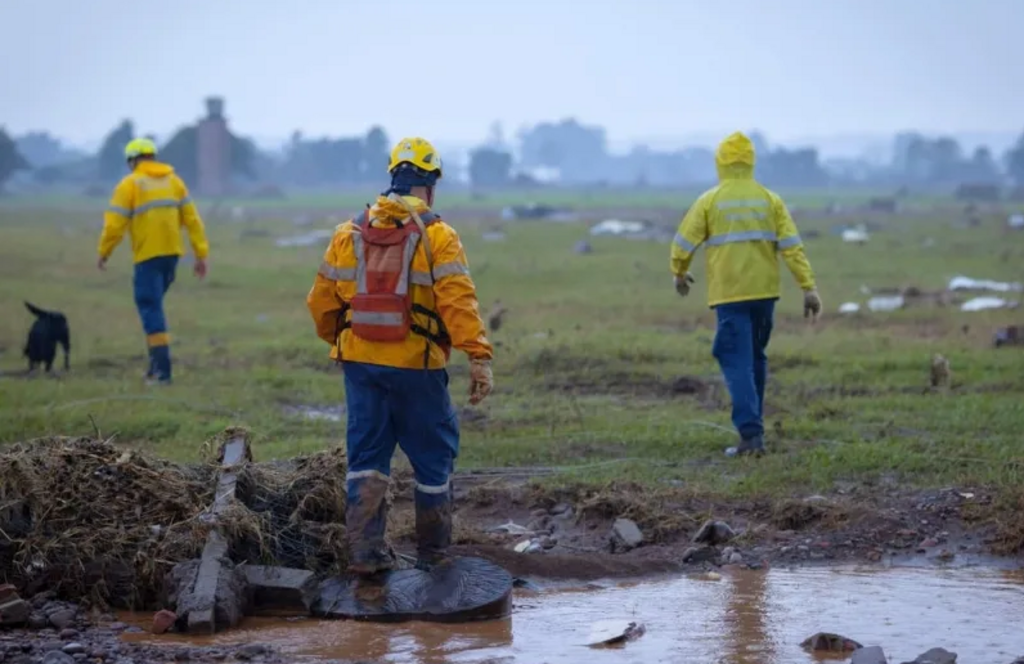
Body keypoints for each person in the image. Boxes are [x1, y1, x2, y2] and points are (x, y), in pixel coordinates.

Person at [306, 137, 494, 574]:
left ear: (392, 177)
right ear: (431, 185)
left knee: (366, 457)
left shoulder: (347, 233)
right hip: (418, 367)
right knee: (432, 459)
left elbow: (321, 303)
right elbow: (458, 302)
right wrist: (478, 356)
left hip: (361, 367)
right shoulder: (438, 235)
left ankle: (366, 557)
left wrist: (345, 343)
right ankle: (433, 557)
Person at [670, 131, 821, 457]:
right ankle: (754, 430)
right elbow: (793, 248)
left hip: (730, 295)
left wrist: (680, 273)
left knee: (733, 357)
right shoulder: (769, 199)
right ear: (751, 162)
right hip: (765, 295)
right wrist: (808, 288)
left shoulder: (710, 200)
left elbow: (683, 242)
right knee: (754, 358)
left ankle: (751, 436)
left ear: (720, 162)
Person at [97, 137, 210, 385]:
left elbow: (114, 225)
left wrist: (104, 252)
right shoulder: (174, 182)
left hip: (147, 257)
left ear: (132, 160)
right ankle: (154, 368)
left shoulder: (130, 184)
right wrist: (200, 255)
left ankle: (162, 373)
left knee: (151, 310)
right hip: (172, 257)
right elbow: (193, 221)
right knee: (154, 308)